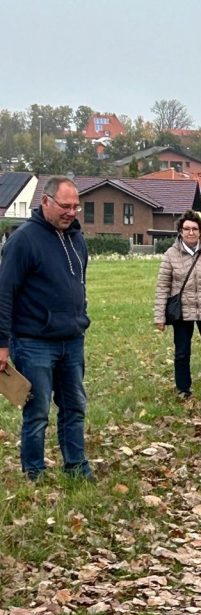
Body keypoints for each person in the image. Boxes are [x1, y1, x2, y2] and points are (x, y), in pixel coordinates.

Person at [0, 176, 94, 480]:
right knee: (37, 412)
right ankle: (34, 472)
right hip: (34, 343)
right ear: (45, 202)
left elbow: (79, 285)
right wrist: (2, 344)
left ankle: (76, 467)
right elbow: (4, 293)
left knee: (74, 408)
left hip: (72, 341)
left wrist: (80, 318)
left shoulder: (77, 239)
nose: (71, 212)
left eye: (76, 206)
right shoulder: (23, 241)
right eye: (65, 206)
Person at [154, 211, 201, 399]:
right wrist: (159, 317)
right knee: (182, 353)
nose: (191, 232)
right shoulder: (171, 255)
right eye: (187, 229)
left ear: (200, 231)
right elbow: (163, 286)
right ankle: (183, 390)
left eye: (194, 229)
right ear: (180, 231)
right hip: (182, 312)